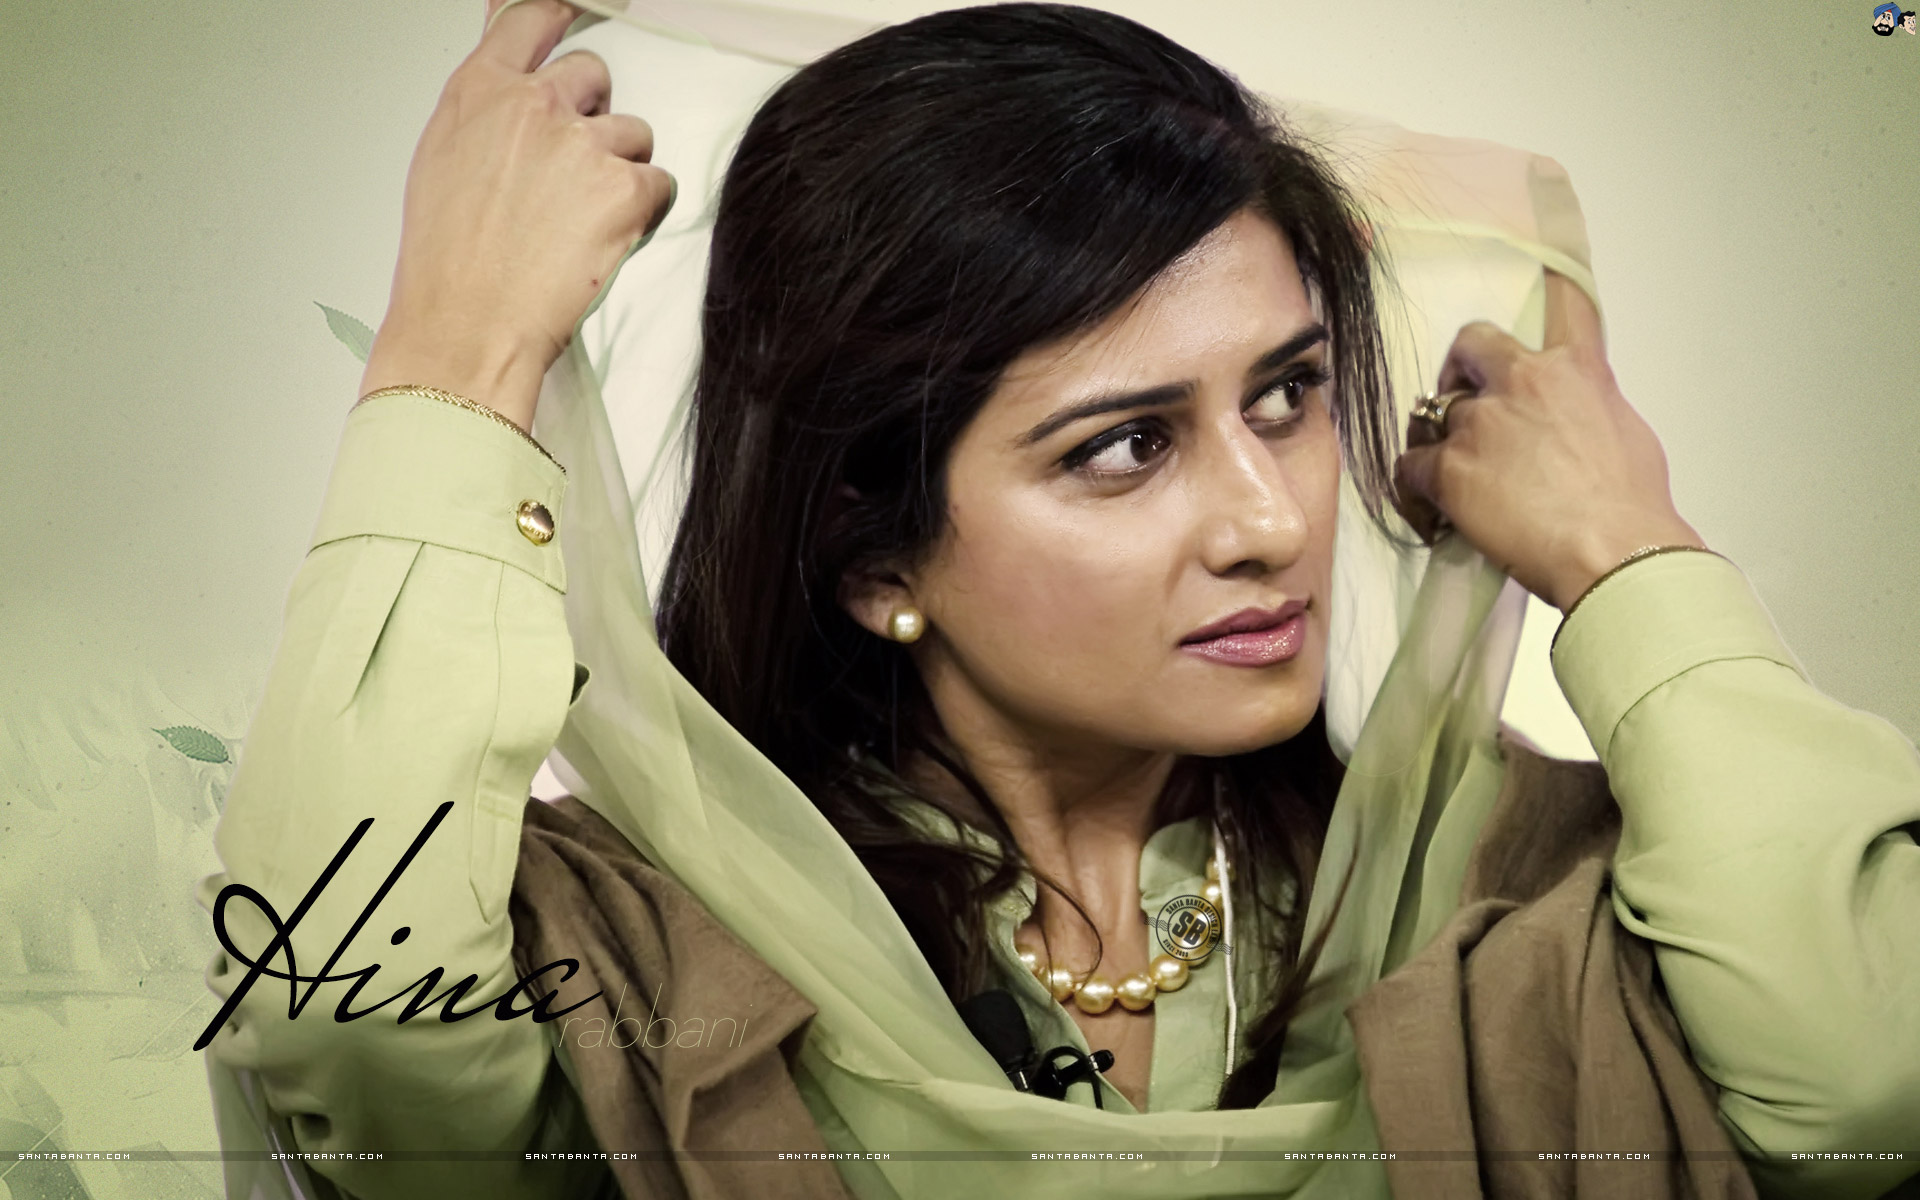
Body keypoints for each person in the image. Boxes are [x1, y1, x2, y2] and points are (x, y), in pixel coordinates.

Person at [198, 1, 1920, 1198]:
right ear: (877, 557)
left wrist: (1631, 558)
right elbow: (340, 1012)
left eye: (1286, 394)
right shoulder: (656, 957)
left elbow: (1874, 1094)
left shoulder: (1520, 897)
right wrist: (455, 355)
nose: (1272, 520)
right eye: (1126, 447)